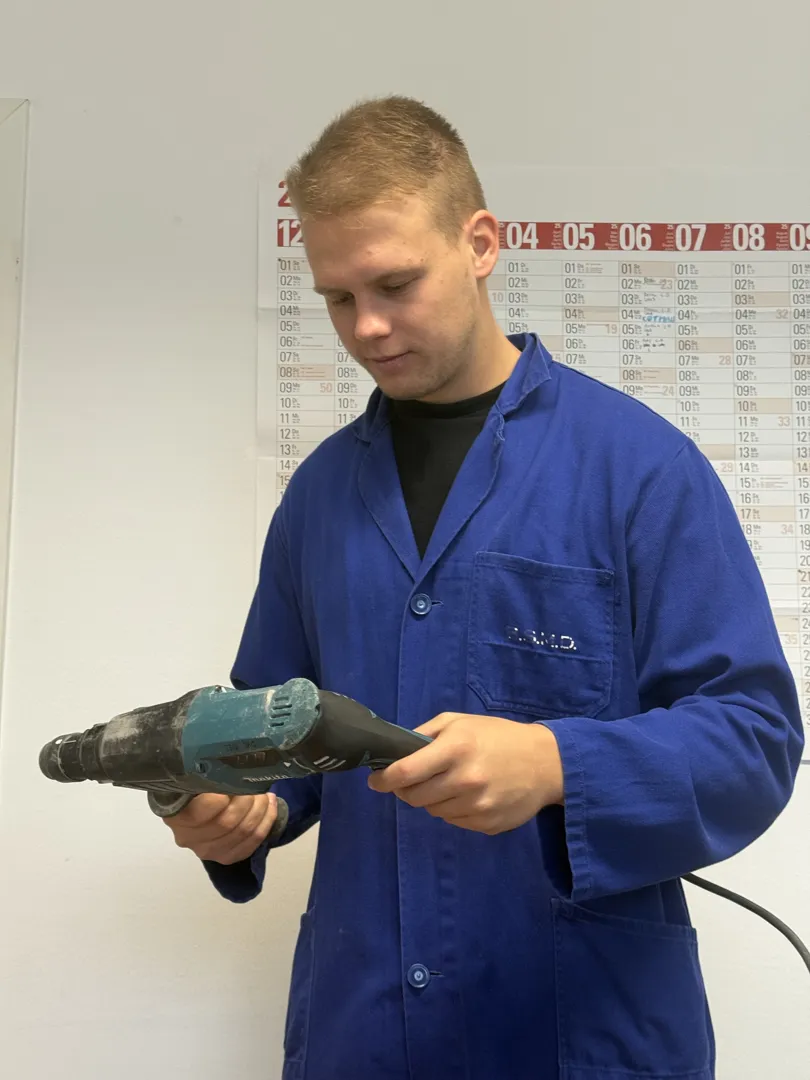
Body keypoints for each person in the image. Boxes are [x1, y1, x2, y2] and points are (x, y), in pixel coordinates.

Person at [163, 96, 805, 1080]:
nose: (368, 327)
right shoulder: (320, 498)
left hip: (579, 1029)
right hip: (363, 1031)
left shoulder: (640, 469)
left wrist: (555, 763)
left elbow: (752, 739)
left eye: (396, 284)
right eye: (338, 297)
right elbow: (278, 733)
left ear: (480, 244)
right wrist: (237, 812)